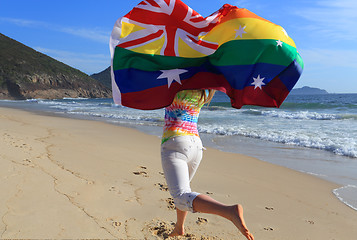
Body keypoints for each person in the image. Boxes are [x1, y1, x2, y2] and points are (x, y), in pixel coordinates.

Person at [161, 89, 254, 240]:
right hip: (196, 145)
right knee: (185, 190)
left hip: (175, 141)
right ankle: (179, 227)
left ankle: (229, 211)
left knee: (180, 196)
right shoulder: (204, 89)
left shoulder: (176, 84)